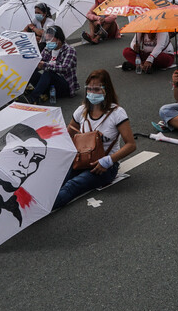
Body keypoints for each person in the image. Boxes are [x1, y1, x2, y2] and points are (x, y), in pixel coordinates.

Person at [52, 70, 137, 209]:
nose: (92, 92)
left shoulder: (117, 113)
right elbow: (68, 135)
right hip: (81, 160)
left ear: (106, 90)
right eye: (89, 89)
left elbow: (131, 145)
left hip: (105, 166)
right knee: (55, 181)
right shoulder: (81, 111)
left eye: (97, 89)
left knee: (71, 186)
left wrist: (107, 161)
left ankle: (40, 209)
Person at [25, 25, 79, 103]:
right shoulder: (48, 49)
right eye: (47, 40)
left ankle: (33, 97)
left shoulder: (69, 50)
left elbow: (64, 68)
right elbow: (40, 60)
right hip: (51, 84)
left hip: (64, 86)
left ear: (59, 39)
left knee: (48, 72)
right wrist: (34, 64)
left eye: (50, 39)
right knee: (31, 70)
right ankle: (22, 91)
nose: (48, 42)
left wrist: (45, 65)